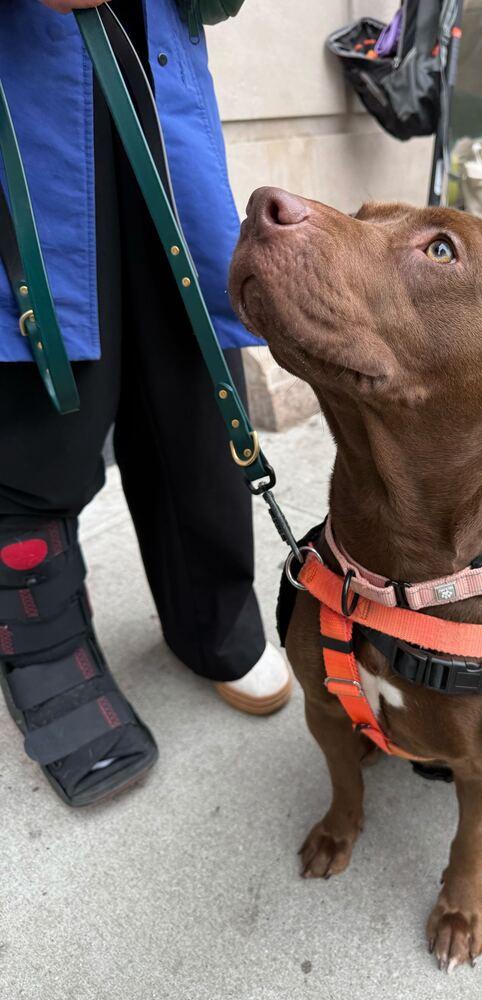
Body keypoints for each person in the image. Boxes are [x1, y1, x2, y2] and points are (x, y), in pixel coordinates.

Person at [0, 0, 291, 808]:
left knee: (194, 370)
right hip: (18, 94)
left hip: (155, 73)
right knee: (43, 375)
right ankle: (45, 646)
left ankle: (216, 621)